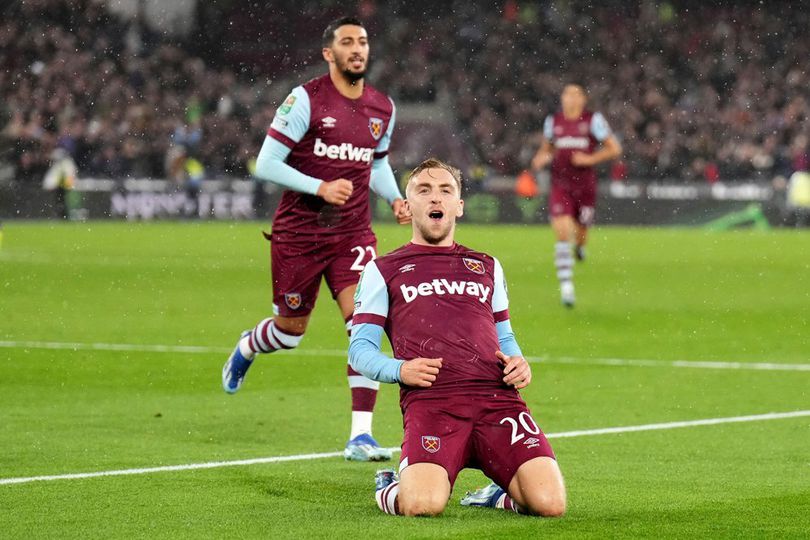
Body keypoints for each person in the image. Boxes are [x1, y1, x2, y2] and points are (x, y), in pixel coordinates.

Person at [221, 16, 410, 462]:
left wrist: (397, 199)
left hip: (353, 234)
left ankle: (360, 435)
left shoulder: (383, 107)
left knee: (366, 325)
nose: (357, 48)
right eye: (347, 42)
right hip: (300, 235)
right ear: (329, 53)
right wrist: (320, 187)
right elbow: (266, 163)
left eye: (363, 41)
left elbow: (376, 165)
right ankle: (249, 345)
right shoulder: (305, 100)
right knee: (289, 334)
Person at [349, 158, 566, 517]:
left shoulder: (486, 265)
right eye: (424, 190)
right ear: (408, 204)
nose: (436, 198)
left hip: (498, 400)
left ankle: (497, 495)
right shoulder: (382, 270)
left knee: (551, 504)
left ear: (459, 206)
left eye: (446, 191)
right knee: (422, 505)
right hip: (434, 402)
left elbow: (504, 336)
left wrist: (518, 362)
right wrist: (399, 370)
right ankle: (389, 484)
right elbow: (360, 350)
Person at [531, 83, 622, 307]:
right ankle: (567, 287)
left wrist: (589, 159)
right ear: (562, 99)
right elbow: (548, 147)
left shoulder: (593, 121)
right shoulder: (554, 122)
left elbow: (614, 149)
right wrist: (541, 157)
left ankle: (580, 248)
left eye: (575, 94)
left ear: (583, 99)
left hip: (585, 187)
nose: (570, 98)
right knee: (562, 232)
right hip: (560, 185)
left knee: (581, 233)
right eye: (567, 94)